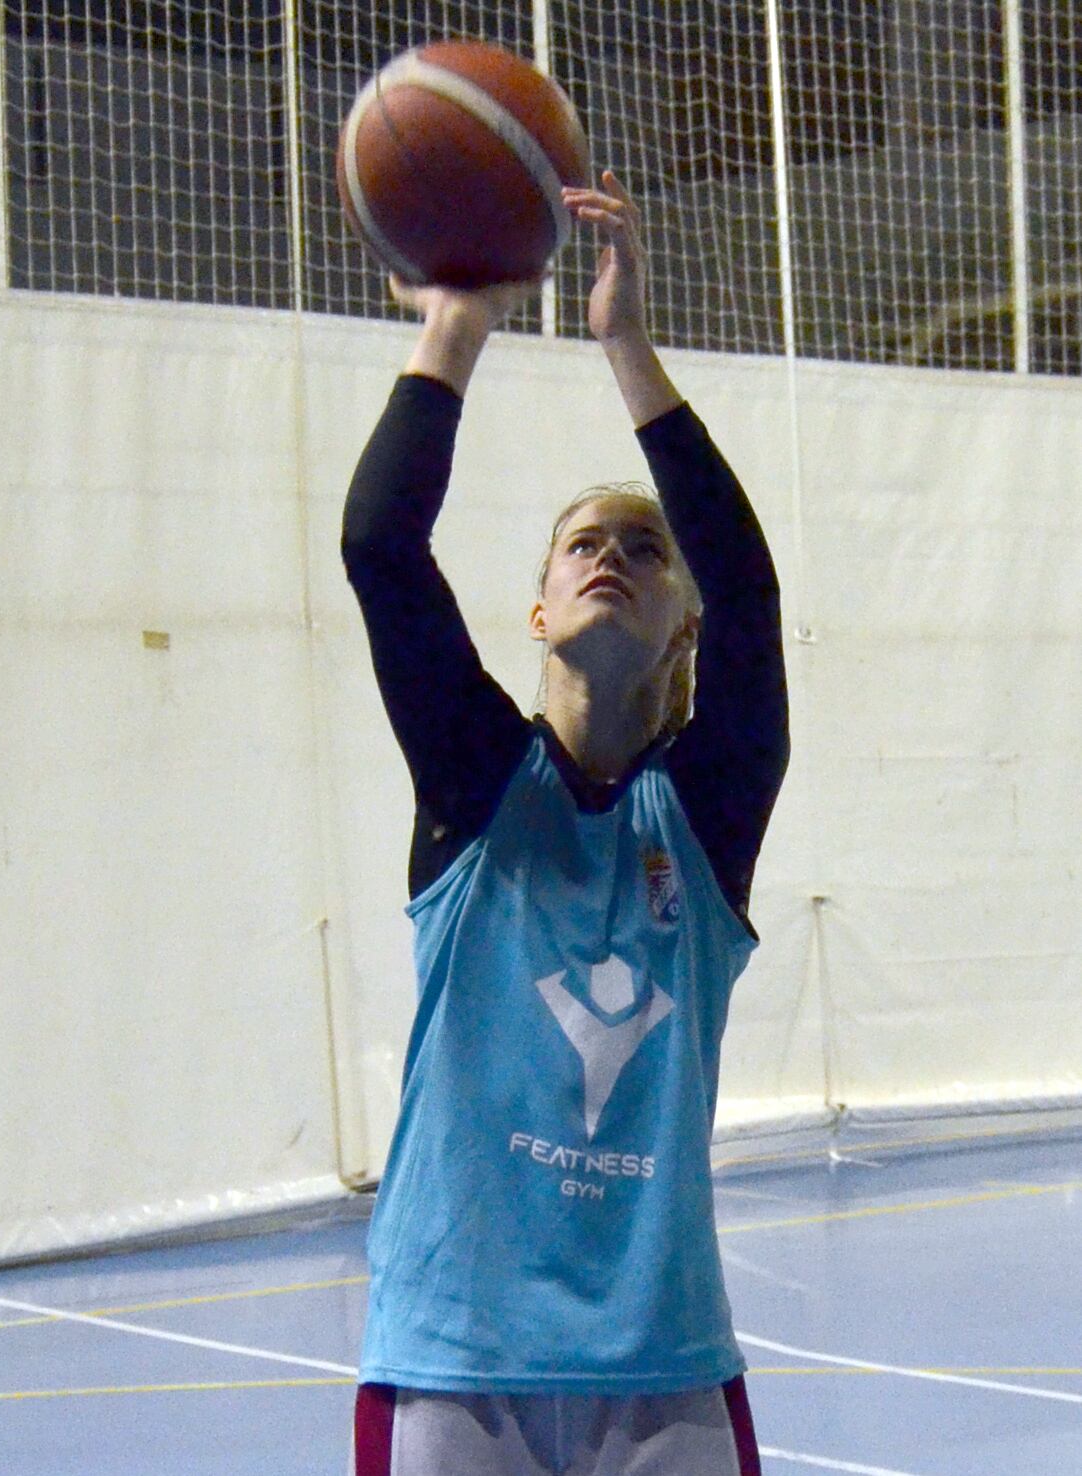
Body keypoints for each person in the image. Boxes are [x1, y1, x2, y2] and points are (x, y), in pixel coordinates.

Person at [340, 171, 789, 1475]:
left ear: (684, 624)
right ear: (537, 610)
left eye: (646, 551)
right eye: (582, 544)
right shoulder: (477, 781)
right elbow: (381, 547)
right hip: (454, 1365)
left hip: (663, 1374)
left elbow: (751, 590)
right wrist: (456, 322)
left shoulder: (706, 811)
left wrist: (624, 347)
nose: (611, 556)